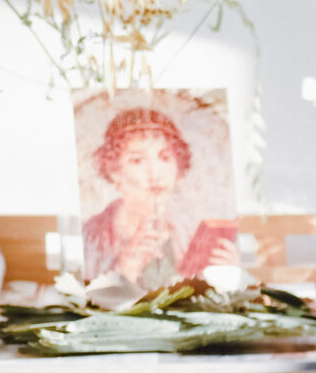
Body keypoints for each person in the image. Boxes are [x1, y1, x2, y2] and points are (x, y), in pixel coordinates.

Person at [81, 105, 235, 286]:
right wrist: (125, 271)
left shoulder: (188, 232)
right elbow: (86, 302)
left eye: (164, 157)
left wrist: (228, 274)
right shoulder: (90, 236)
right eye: (137, 160)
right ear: (114, 169)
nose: (155, 173)